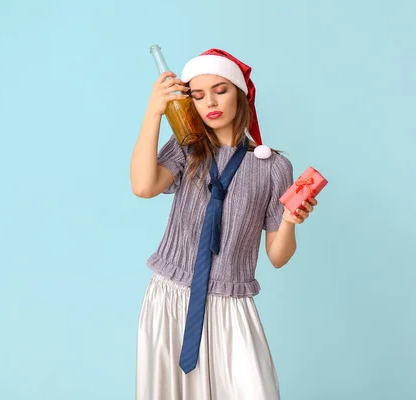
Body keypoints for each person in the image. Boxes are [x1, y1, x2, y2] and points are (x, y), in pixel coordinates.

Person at [129, 48, 318, 399]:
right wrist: (154, 113)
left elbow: (278, 256)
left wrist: (290, 220)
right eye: (198, 96)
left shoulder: (272, 167)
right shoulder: (187, 148)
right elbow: (143, 186)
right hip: (171, 297)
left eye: (221, 90)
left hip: (230, 302)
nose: (210, 102)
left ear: (240, 94)